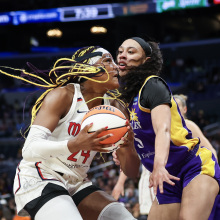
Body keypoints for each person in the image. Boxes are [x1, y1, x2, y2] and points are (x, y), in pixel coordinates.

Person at [0, 46, 138, 220]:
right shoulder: (63, 95)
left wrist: (129, 146)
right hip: (41, 175)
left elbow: (131, 172)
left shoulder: (116, 109)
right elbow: (29, 150)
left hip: (76, 182)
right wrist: (74, 145)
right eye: (108, 61)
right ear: (88, 68)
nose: (116, 66)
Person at [113, 36, 220, 220]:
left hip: (192, 166)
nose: (123, 56)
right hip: (167, 178)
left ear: (146, 60)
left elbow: (163, 129)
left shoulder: (152, 84)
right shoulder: (125, 102)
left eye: (131, 52)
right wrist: (124, 148)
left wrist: (159, 165)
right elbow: (131, 171)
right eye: (120, 51)